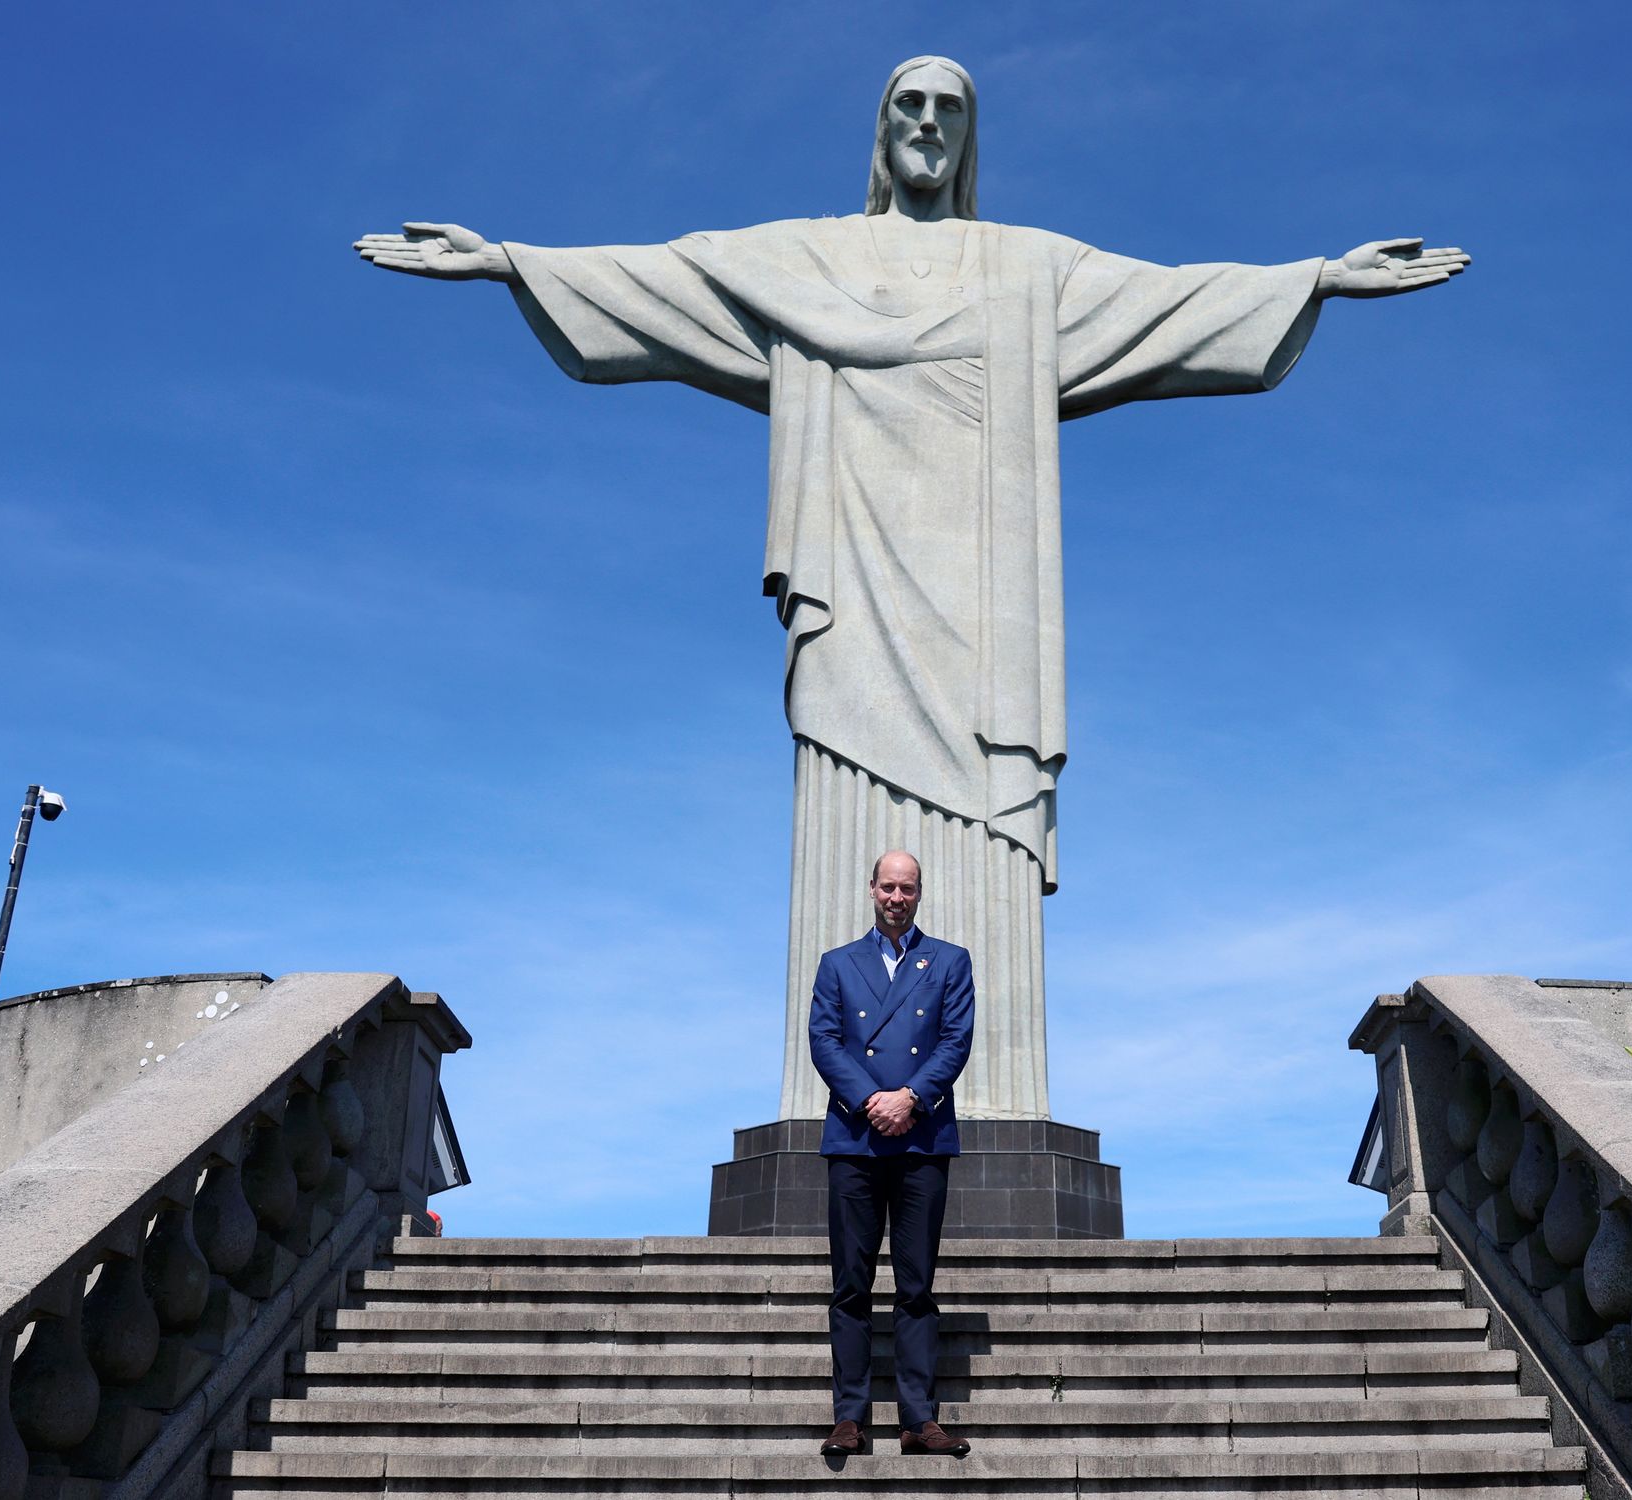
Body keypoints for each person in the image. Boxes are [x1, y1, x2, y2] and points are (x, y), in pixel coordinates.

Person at [351, 56, 1470, 1135]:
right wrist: (508, 261)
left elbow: (1168, 305)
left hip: (986, 609)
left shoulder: (1029, 268)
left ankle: (980, 1104)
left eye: (948, 107)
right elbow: (670, 276)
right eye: (907, 105)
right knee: (841, 798)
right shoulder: (807, 259)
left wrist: (1314, 277)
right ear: (881, 134)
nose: (927, 122)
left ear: (967, 135)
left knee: (984, 826)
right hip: (852, 582)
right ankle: (838, 1107)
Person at [807, 849, 974, 1457]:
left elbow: (956, 1039)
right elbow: (824, 1040)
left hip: (923, 1136)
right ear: (871, 890)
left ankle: (917, 1420)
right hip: (855, 1136)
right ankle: (849, 1417)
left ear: (919, 893)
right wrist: (872, 1099)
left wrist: (910, 1096)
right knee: (851, 1285)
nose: (897, 898)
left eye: (907, 888)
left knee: (916, 1285)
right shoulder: (837, 964)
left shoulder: (950, 961)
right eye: (888, 887)